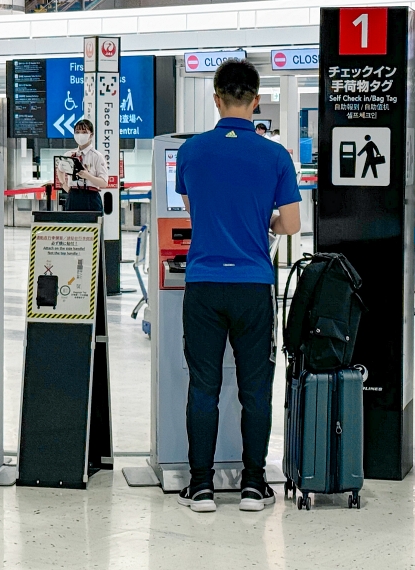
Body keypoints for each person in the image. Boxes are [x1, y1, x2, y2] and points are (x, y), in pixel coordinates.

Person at [174, 59, 301, 513]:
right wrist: (261, 219)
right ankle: (253, 485)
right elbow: (290, 223)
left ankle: (201, 487)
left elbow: (194, 209)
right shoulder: (275, 155)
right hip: (252, 286)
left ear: (215, 98)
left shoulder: (190, 152)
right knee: (255, 388)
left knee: (203, 387)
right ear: (257, 99)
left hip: (204, 285)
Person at [60, 119, 109, 213]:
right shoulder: (69, 154)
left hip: (91, 196)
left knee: (93, 225)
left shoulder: (97, 156)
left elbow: (104, 183)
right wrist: (64, 185)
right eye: (77, 132)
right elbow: (60, 169)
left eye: (84, 132)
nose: (80, 135)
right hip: (73, 195)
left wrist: (88, 176)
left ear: (91, 135)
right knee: (72, 225)